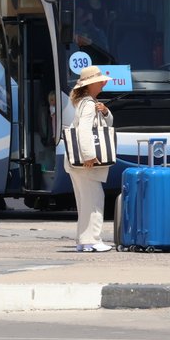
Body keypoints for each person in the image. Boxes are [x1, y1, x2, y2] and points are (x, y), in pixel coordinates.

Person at [64, 65, 114, 253]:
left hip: (77, 164)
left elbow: (105, 124)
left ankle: (85, 241)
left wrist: (105, 112)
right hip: (86, 164)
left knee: (86, 201)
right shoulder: (89, 105)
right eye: (100, 81)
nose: (103, 83)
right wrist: (90, 155)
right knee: (94, 200)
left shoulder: (87, 103)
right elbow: (85, 130)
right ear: (91, 84)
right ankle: (93, 240)